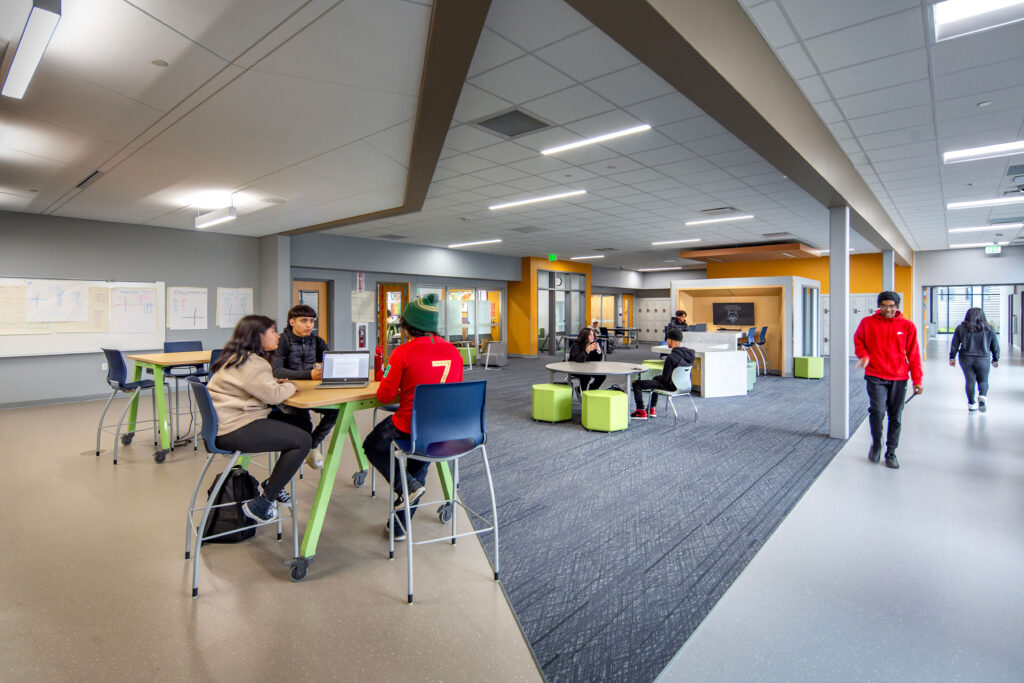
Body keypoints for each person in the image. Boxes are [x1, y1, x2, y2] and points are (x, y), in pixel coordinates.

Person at [362, 294, 464, 540]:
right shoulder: (455, 352)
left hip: (410, 424)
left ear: (407, 327)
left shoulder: (402, 352)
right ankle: (399, 525)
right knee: (418, 462)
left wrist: (397, 383)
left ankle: (407, 486)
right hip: (443, 428)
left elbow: (385, 396)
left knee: (373, 444)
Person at [207, 315, 312, 522]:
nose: (277, 336)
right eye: (272, 331)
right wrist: (290, 385)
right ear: (258, 336)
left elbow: (259, 387)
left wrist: (274, 383)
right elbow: (273, 395)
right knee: (303, 441)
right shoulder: (253, 363)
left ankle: (274, 482)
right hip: (235, 428)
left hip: (227, 422)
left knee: (299, 421)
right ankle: (263, 503)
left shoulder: (239, 357)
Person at [853, 291, 923, 470]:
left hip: (899, 377)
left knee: (895, 415)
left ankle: (891, 452)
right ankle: (877, 444)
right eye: (884, 306)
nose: (888, 309)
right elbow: (859, 340)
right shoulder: (867, 323)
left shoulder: (907, 326)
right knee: (877, 411)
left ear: (897, 306)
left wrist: (917, 380)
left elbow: (914, 354)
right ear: (879, 306)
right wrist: (864, 355)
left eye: (892, 306)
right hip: (875, 374)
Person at [272, 304, 335, 469]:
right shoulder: (282, 341)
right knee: (302, 423)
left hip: (313, 393)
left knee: (336, 410)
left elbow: (331, 364)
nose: (309, 325)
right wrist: (309, 375)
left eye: (312, 321)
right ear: (292, 322)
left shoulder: (317, 341)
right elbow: (277, 371)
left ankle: (312, 444)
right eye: (304, 321)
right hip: (288, 395)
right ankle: (301, 450)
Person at [630, 328, 695, 419]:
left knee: (637, 384)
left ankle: (640, 411)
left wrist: (657, 379)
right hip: (684, 385)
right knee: (656, 378)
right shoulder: (689, 356)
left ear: (670, 340)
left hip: (671, 386)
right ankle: (651, 409)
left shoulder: (671, 358)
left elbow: (665, 379)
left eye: (667, 339)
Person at [949, 307, 999, 412]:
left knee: (970, 380)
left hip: (966, 358)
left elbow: (955, 344)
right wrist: (995, 358)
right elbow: (995, 345)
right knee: (983, 380)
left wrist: (952, 357)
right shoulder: (989, 328)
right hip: (983, 358)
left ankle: (971, 404)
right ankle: (982, 396)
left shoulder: (960, 328)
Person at [568, 326, 605, 391]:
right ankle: (581, 391)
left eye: (593, 334)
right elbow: (579, 359)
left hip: (589, 368)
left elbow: (597, 360)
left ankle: (592, 389)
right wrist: (587, 350)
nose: (592, 336)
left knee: (602, 375)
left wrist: (598, 351)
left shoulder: (592, 344)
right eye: (590, 335)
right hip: (575, 368)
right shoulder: (576, 345)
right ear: (584, 336)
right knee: (586, 376)